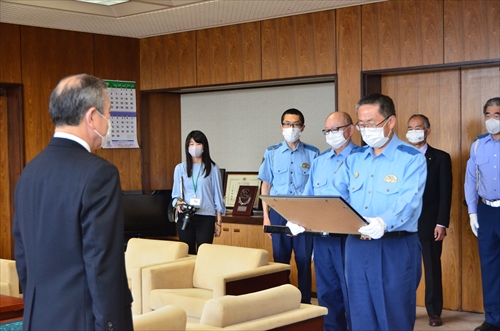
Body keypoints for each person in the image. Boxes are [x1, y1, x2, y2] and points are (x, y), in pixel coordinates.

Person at [13, 74, 133, 330]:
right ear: (92, 117)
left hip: (37, 320)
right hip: (83, 321)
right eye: (108, 113)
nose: (109, 121)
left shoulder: (29, 172)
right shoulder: (100, 174)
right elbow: (103, 264)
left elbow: (22, 255)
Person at [338, 93, 427, 330]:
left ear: (390, 122)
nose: (366, 130)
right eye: (361, 125)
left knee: (393, 315)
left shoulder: (411, 158)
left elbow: (410, 201)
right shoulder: (355, 159)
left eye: (372, 123)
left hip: (394, 247)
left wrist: (383, 222)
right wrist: (307, 218)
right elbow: (338, 196)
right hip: (356, 246)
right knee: (360, 315)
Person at [302, 111, 357, 331]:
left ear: (350, 130)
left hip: (350, 237)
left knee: (352, 292)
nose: (331, 134)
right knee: (327, 293)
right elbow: (308, 197)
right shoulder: (319, 161)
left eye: (336, 129)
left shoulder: (361, 158)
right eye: (328, 130)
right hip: (322, 238)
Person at [258, 108, 319, 304]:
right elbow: (265, 184)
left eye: (295, 124)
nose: (291, 128)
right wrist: (266, 217)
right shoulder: (272, 152)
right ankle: (281, 302)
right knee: (280, 260)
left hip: (304, 213)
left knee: (303, 260)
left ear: (302, 127)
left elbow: (317, 186)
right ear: (281, 127)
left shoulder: (313, 153)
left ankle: (304, 304)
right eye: (287, 124)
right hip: (278, 212)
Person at [406, 114, 452, 327]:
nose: (413, 131)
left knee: (432, 268)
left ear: (427, 130)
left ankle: (434, 312)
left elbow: (445, 193)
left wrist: (441, 223)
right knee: (403, 269)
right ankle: (404, 308)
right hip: (403, 224)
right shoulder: (400, 156)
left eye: (418, 128)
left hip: (430, 224)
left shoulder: (440, 158)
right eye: (410, 128)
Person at [465, 97, 500, 331]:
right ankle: (493, 320)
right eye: (488, 115)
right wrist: (472, 212)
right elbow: (470, 180)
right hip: (487, 211)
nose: (491, 120)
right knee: (489, 266)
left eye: (497, 115)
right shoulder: (478, 146)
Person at [172, 130, 226, 255]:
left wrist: (218, 222)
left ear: (204, 146)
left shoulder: (212, 168)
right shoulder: (180, 168)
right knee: (186, 253)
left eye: (198, 144)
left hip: (206, 217)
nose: (194, 147)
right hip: (186, 216)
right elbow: (175, 195)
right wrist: (179, 203)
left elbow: (218, 196)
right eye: (191, 144)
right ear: (187, 147)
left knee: (204, 253)